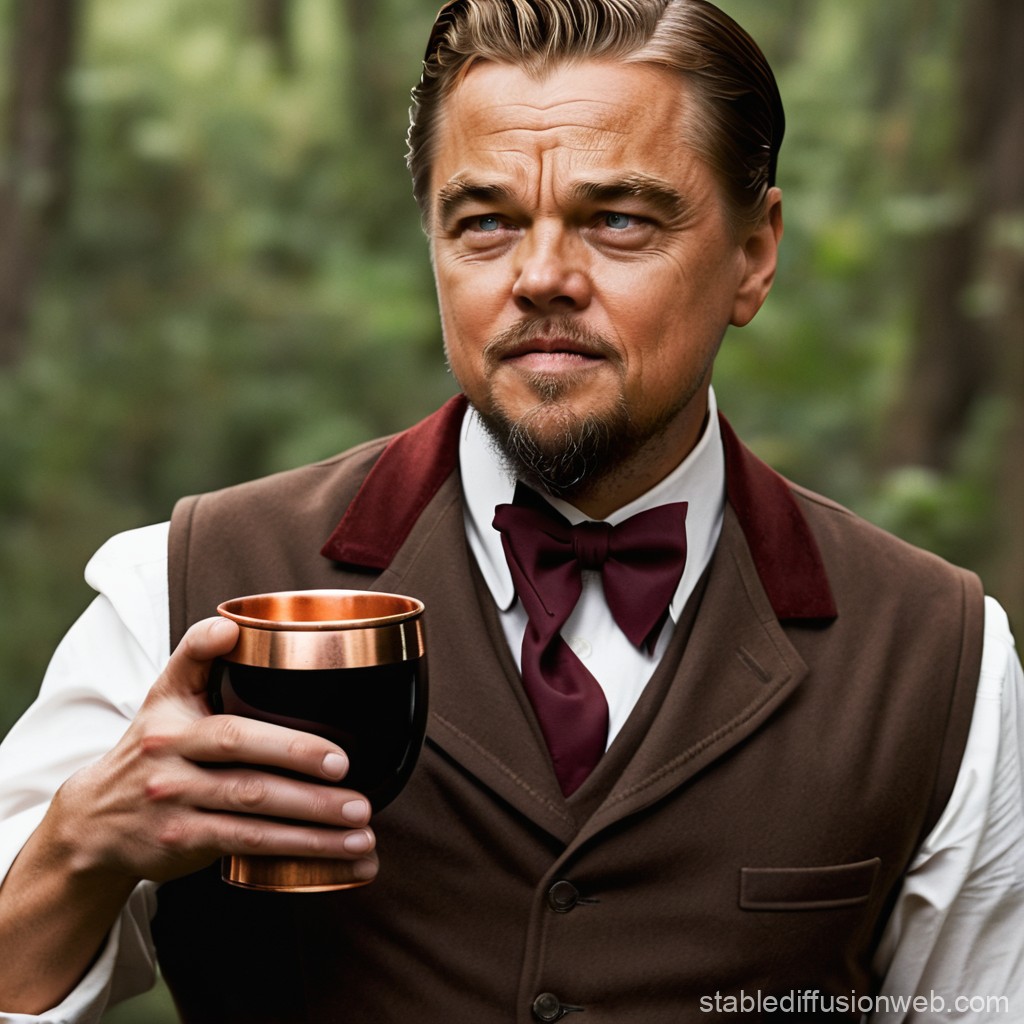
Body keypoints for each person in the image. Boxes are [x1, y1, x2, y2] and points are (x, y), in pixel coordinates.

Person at [0, 0, 1021, 1020]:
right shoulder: (177, 586)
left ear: (753, 254)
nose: (540, 279)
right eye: (485, 222)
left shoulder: (938, 657)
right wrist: (78, 849)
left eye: (616, 219)